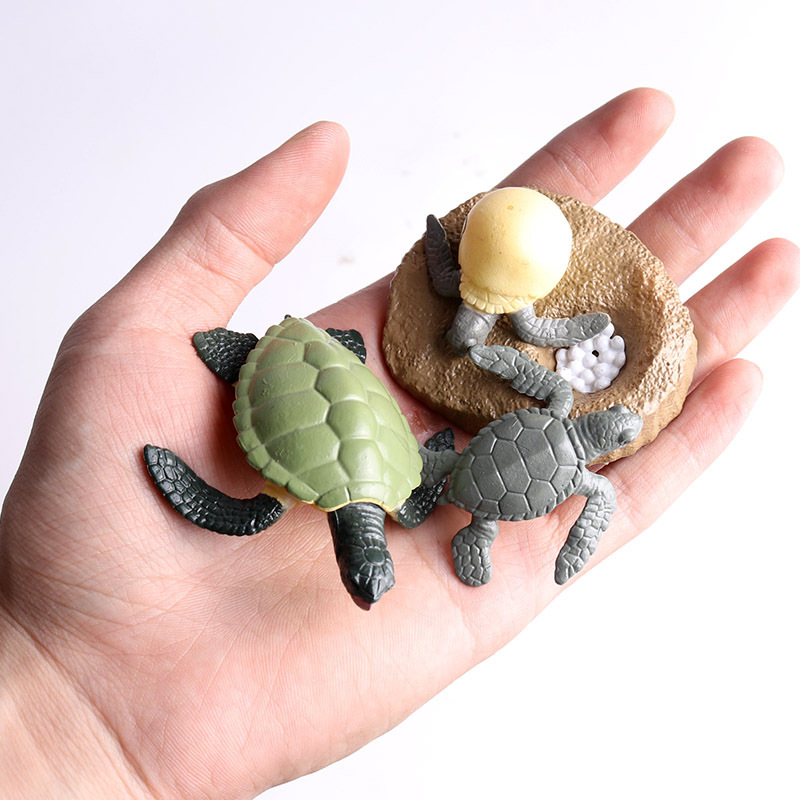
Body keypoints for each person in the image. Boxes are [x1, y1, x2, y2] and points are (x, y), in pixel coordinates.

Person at [0, 88, 796, 799]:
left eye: (364, 575)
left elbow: (530, 397)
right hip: (398, 430)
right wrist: (62, 685)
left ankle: (471, 526)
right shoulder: (487, 462)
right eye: (367, 576)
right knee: (327, 501)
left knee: (443, 503)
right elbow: (519, 390)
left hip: (454, 457)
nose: (620, 429)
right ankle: (259, 368)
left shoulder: (552, 434)